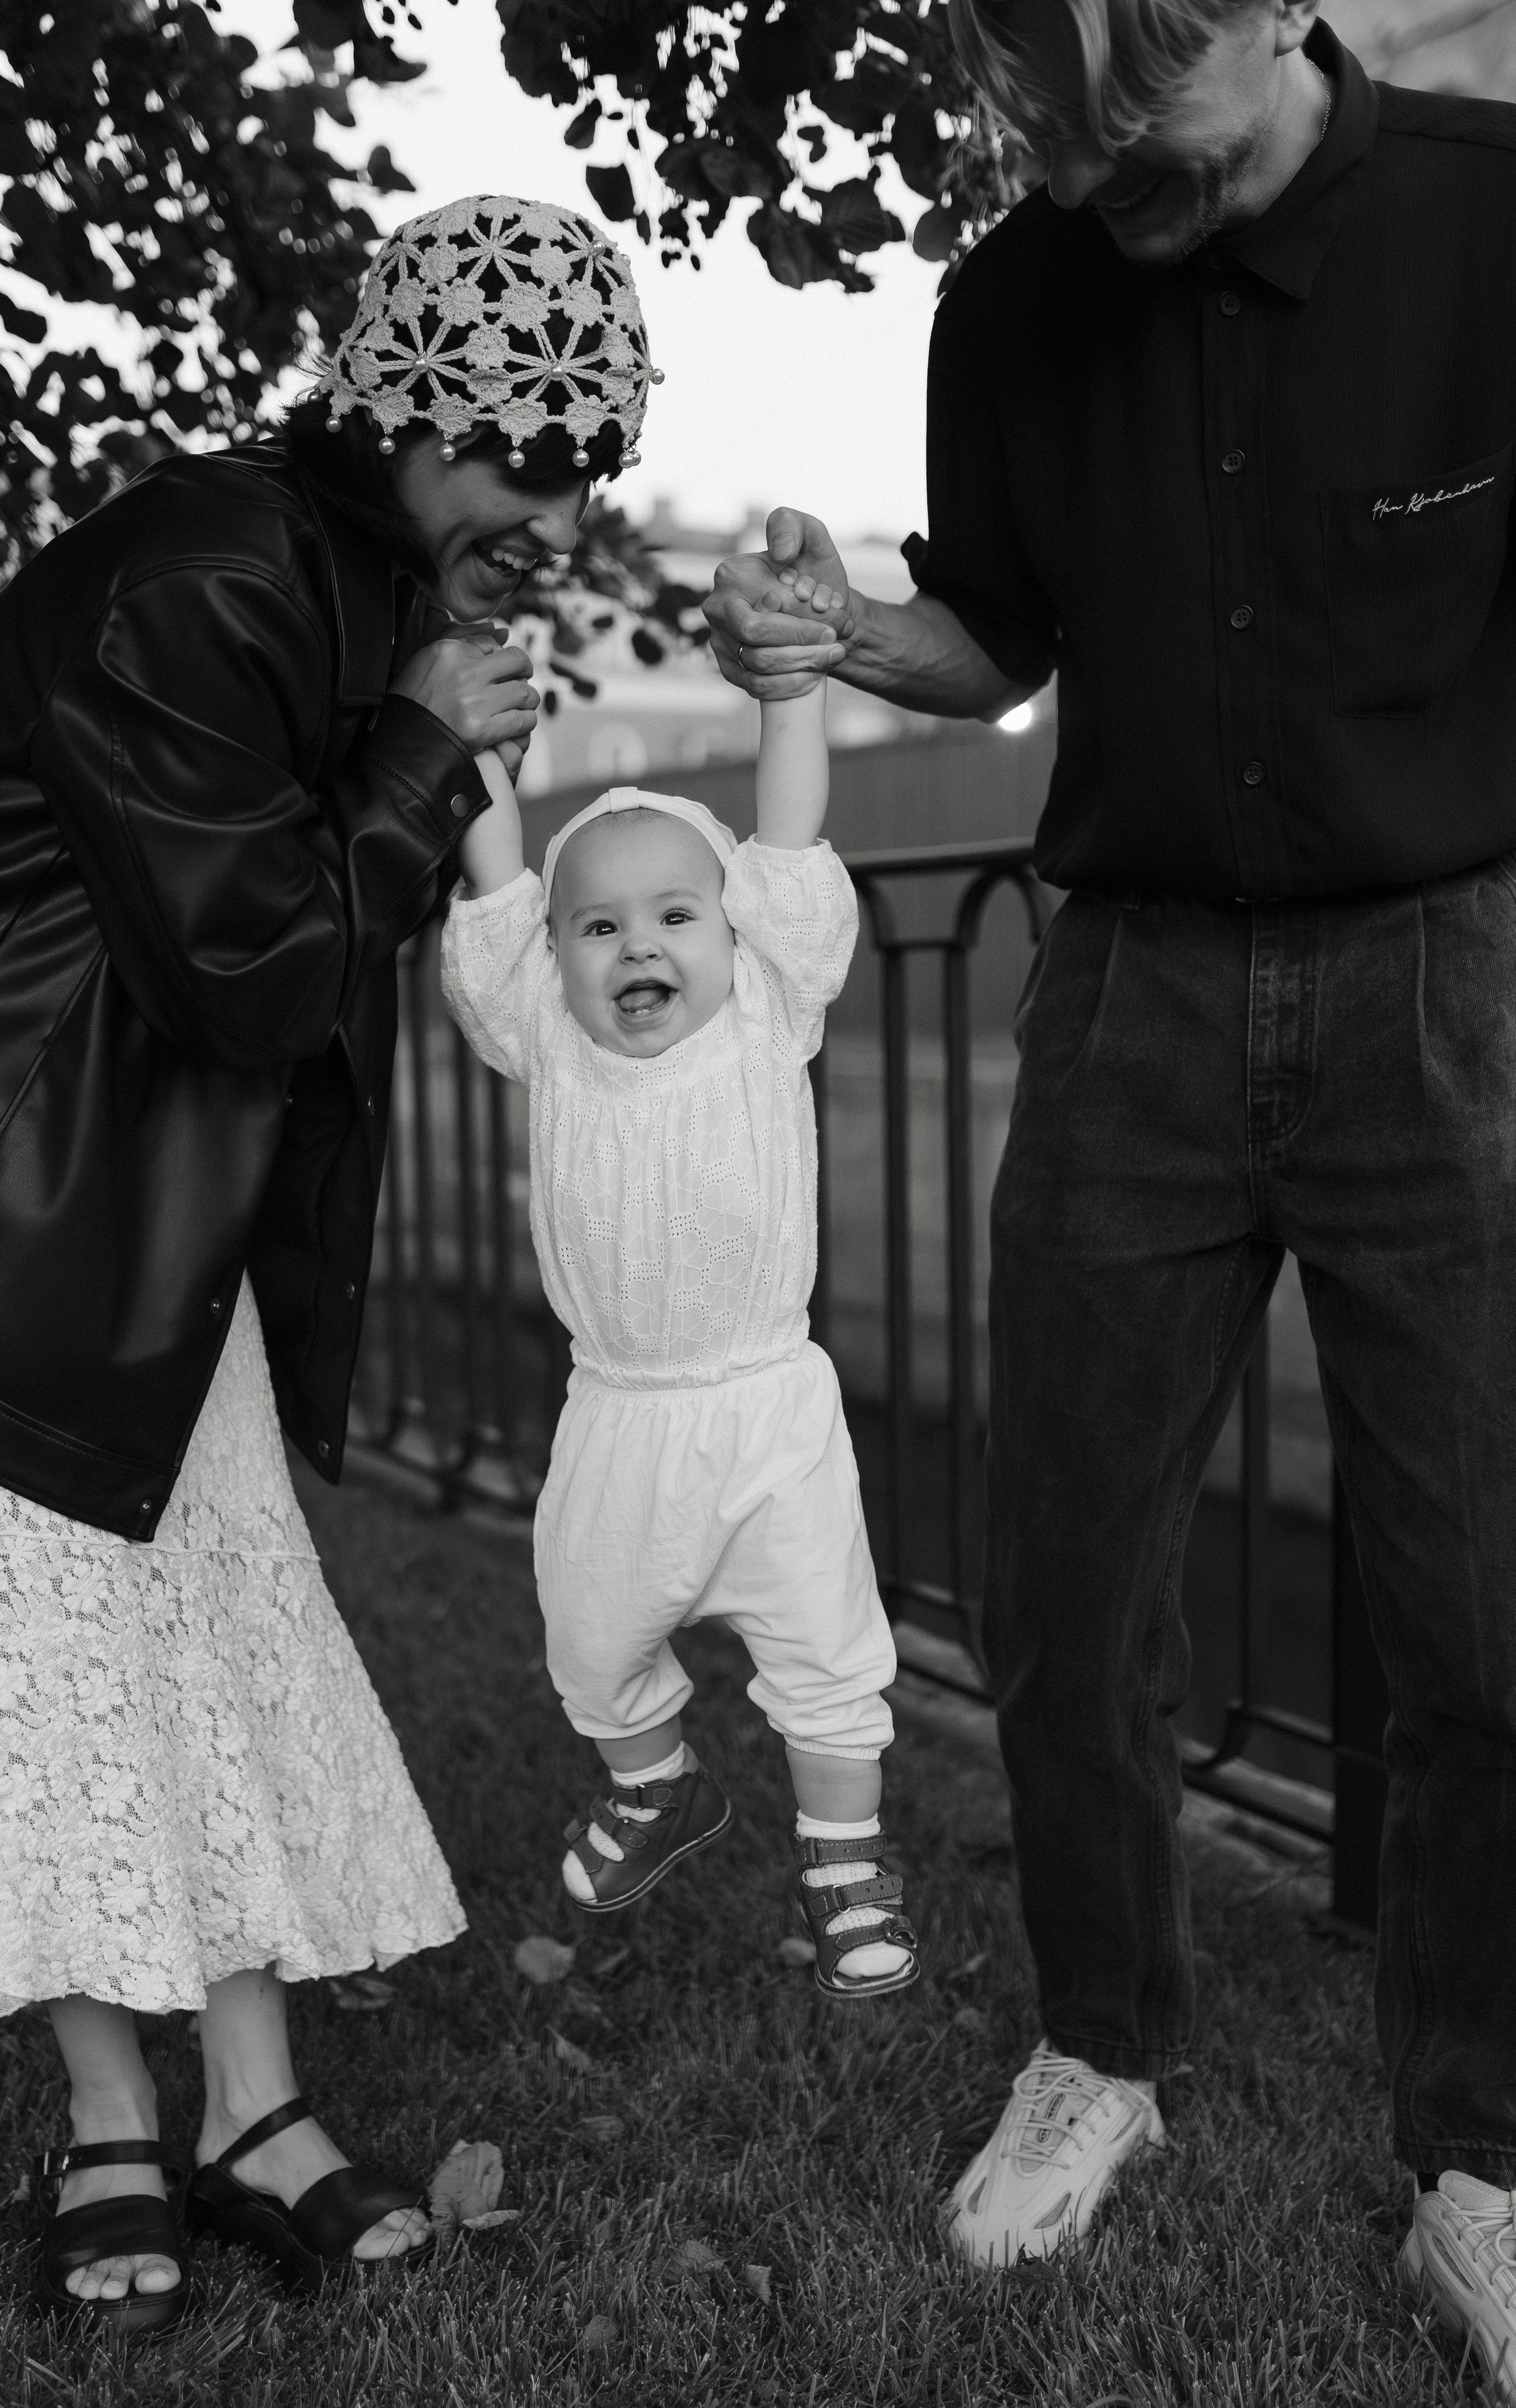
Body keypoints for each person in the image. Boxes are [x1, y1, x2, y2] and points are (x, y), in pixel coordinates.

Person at [706, 0, 1516, 2385]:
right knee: (1062, 1580)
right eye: (1048, 142)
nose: (1095, 182)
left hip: (1445, 986)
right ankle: (1103, 2052)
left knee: (1482, 1611)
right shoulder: (1018, 293)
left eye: (1131, 129)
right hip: (1131, 994)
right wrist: (841, 629)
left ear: (1274, 9)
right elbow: (999, 639)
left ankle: (1482, 2143)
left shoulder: (1498, 223)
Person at [0, 193, 656, 2337]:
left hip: (134, 1187)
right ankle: (108, 2117)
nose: (563, 503)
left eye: (594, 457)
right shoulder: (217, 575)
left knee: (215, 1623)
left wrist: (422, 733)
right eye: (533, 447)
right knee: (37, 1669)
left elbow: (287, 945)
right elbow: (253, 967)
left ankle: (247, 2106)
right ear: (420, 407)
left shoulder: (351, 579)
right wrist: (423, 743)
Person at [438, 667, 921, 1998]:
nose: (635, 945)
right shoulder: (548, 1032)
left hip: (764, 1405)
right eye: (595, 926)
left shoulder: (769, 1011)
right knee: (587, 1637)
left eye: (671, 915)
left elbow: (787, 838)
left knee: (823, 1645)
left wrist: (786, 702)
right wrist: (482, 753)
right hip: (619, 1408)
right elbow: (492, 894)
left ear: (732, 934)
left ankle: (842, 1860)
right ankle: (658, 1787)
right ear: (556, 961)